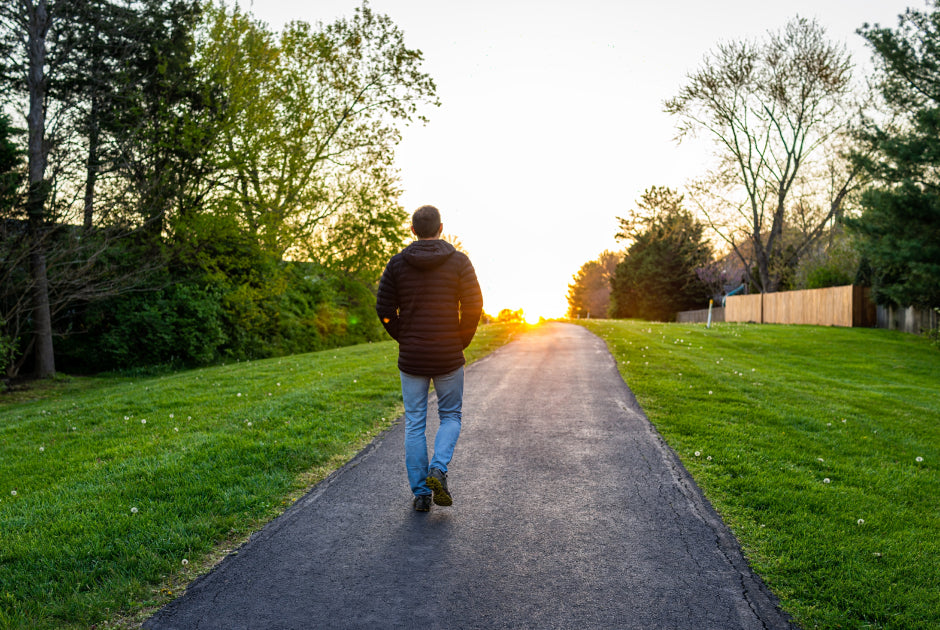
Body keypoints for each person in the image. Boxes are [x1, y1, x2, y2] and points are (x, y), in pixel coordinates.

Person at [376, 205, 483, 512]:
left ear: (413, 230)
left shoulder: (397, 264)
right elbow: (474, 305)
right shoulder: (459, 261)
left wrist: (403, 336)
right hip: (448, 354)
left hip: (412, 357)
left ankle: (422, 493)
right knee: (450, 415)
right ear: (441, 228)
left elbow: (384, 310)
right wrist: (460, 339)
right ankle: (439, 468)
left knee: (414, 423)